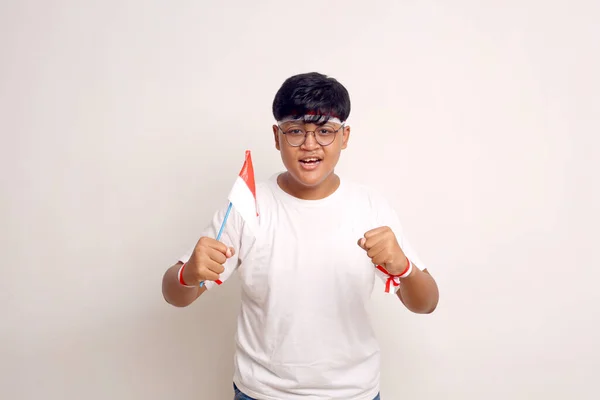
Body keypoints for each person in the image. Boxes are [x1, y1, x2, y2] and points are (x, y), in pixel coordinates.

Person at [162, 72, 439, 400]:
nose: (310, 145)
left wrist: (404, 267)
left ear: (344, 136)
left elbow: (426, 303)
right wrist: (187, 273)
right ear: (277, 137)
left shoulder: (369, 206)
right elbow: (176, 295)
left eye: (324, 131)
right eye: (295, 131)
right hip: (262, 393)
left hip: (354, 393)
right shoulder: (249, 206)